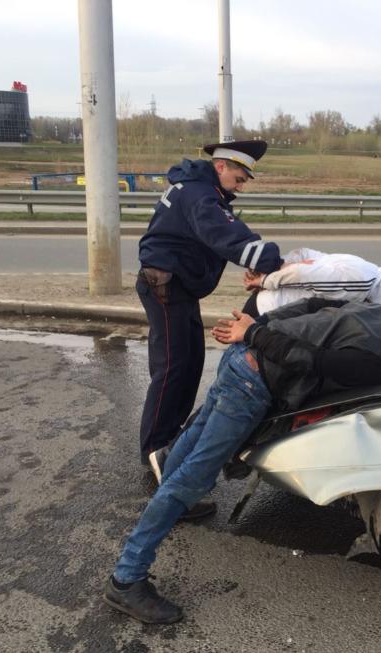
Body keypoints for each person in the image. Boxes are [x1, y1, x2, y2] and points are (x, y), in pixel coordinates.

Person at [102, 293, 381, 624]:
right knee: (191, 479)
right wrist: (257, 333)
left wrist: (259, 326)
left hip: (240, 362)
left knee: (194, 437)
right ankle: (126, 579)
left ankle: (171, 504)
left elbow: (312, 304)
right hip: (252, 381)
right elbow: (310, 360)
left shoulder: (379, 310)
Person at [136, 140, 283, 481]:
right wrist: (273, 260)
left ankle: (171, 442)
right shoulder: (200, 193)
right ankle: (156, 453)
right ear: (221, 167)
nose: (242, 185)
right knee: (173, 369)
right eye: (240, 176)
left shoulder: (201, 191)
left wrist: (257, 258)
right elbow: (224, 234)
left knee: (188, 365)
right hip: (165, 286)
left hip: (175, 286)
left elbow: (230, 229)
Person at [241, 247, 381, 317]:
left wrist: (276, 267)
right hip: (269, 311)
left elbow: (304, 254)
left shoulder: (366, 269)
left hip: (274, 307)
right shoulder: (357, 284)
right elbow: (301, 272)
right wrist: (264, 280)